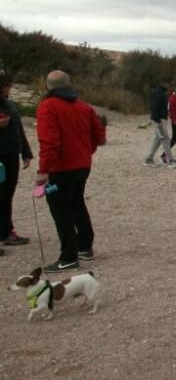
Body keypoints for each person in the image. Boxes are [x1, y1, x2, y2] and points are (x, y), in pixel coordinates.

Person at [35, 70, 106, 273]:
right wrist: (86, 151)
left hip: (61, 168)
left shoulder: (47, 107)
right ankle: (85, 246)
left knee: (61, 210)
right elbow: (99, 134)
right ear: (68, 84)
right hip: (82, 166)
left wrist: (43, 170)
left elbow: (49, 142)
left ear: (48, 86)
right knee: (76, 203)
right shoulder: (84, 107)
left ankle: (68, 256)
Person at [0, 70, 33, 249]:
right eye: (7, 85)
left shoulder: (8, 104)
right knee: (2, 195)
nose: (10, 88)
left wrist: (26, 153)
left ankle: (6, 230)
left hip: (11, 155)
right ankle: (5, 232)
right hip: (1, 157)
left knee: (6, 195)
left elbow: (19, 129)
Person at [144, 78, 176, 168]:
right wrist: (157, 121)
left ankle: (149, 159)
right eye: (168, 83)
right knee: (165, 139)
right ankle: (171, 161)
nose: (169, 85)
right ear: (163, 83)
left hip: (160, 119)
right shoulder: (158, 93)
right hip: (159, 120)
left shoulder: (161, 92)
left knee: (157, 139)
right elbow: (154, 107)